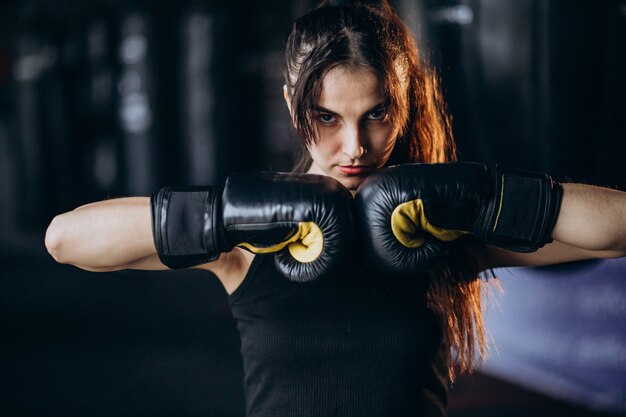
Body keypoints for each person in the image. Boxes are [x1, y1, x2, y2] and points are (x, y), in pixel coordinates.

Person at [45, 1, 626, 416]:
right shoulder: (252, 237)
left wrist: (482, 195)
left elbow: (617, 231)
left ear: (405, 103)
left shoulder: (442, 230)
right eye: (327, 117)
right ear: (292, 105)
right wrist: (222, 214)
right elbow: (65, 241)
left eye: (376, 113)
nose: (354, 146)